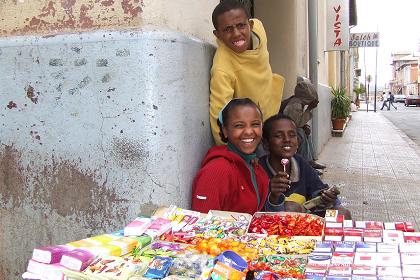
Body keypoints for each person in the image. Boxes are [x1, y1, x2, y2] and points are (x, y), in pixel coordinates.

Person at [209, 0, 285, 145]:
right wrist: (231, 153)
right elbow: (218, 114)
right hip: (252, 130)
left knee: (293, 139)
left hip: (272, 106)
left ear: (250, 25)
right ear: (217, 34)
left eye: (241, 25)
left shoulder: (259, 28)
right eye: (227, 29)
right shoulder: (222, 66)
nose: (236, 34)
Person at [191, 98, 285, 215]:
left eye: (255, 124)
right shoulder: (217, 170)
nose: (249, 131)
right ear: (225, 130)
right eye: (239, 125)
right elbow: (203, 227)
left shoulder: (255, 167)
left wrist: (274, 196)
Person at [259, 114, 351, 219]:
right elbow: (257, 210)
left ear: (298, 142)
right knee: (290, 208)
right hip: (272, 227)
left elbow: (316, 193)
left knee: (342, 214)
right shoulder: (258, 170)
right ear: (266, 143)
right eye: (278, 136)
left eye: (292, 135)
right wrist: (273, 195)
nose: (287, 139)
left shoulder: (300, 163)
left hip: (306, 222)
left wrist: (326, 197)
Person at [280, 80, 326, 172]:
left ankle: (310, 161)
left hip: (287, 128)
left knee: (305, 131)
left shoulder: (297, 101)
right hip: (281, 129)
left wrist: (305, 126)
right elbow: (295, 124)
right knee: (300, 133)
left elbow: (296, 121)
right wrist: (309, 109)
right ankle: (306, 166)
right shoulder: (295, 104)